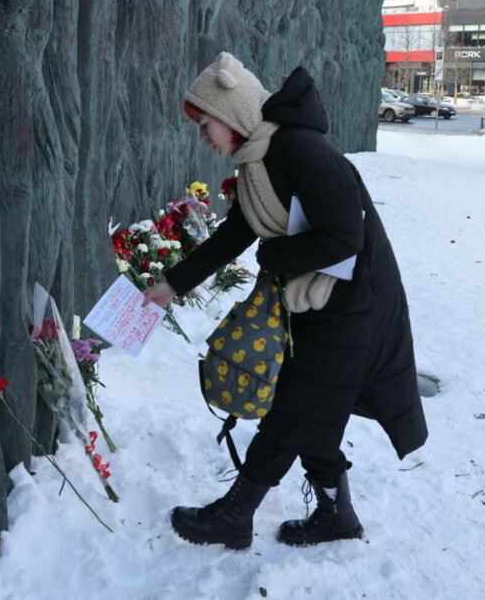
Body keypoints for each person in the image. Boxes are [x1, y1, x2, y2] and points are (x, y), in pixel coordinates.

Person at [142, 52, 427, 549]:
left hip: (352, 305)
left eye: (205, 124)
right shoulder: (260, 161)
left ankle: (236, 513)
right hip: (317, 303)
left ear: (232, 116)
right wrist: (171, 286)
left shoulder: (302, 153)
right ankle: (337, 516)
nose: (202, 138)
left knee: (294, 411)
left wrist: (275, 255)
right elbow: (235, 232)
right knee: (311, 410)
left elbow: (345, 238)